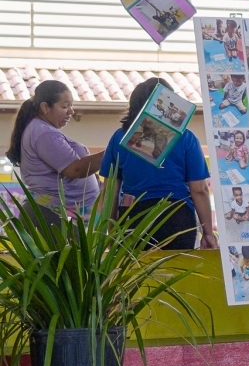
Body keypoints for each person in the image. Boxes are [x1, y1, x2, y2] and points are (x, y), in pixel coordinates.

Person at [100, 77, 216, 250]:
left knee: (137, 268)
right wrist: (208, 233)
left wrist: (112, 232)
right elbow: (199, 189)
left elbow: (110, 192)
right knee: (178, 267)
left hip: (133, 217)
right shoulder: (186, 138)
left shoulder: (119, 138)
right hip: (177, 216)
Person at [6, 80, 104, 222]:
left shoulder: (40, 129)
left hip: (64, 215)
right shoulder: (44, 133)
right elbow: (75, 169)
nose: (71, 111)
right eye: (65, 106)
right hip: (53, 216)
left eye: (71, 105)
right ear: (45, 107)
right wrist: (112, 151)